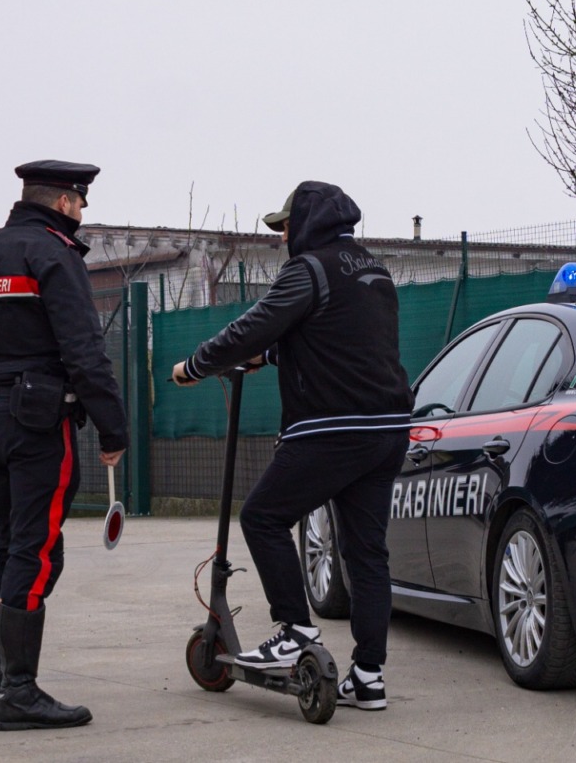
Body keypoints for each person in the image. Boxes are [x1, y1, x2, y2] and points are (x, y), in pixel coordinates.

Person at [172, 180, 412, 711]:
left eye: (285, 228)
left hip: (333, 428)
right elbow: (341, 343)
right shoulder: (374, 271)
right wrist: (275, 358)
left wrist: (196, 365)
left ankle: (295, 629)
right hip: (387, 428)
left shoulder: (309, 269)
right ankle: (368, 678)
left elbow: (254, 327)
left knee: (262, 517)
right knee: (367, 553)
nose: (283, 239)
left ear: (304, 223)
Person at [0, 159, 128, 731]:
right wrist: (113, 427)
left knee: (9, 548)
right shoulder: (54, 255)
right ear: (66, 203)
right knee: (37, 550)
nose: (80, 215)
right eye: (80, 205)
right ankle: (20, 693)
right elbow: (83, 351)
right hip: (40, 419)